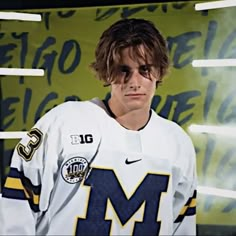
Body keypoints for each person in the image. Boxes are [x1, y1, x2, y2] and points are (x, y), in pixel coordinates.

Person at [0, 18, 197, 235]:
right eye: (123, 70)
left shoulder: (177, 143)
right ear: (106, 71)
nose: (134, 81)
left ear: (159, 71)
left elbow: (181, 227)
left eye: (145, 69)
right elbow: (16, 208)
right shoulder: (61, 123)